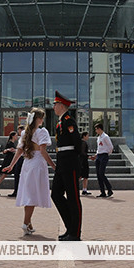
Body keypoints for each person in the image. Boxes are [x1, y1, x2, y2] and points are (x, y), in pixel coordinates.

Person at [3, 108, 56, 235]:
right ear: (37, 119)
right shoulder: (42, 132)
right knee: (32, 195)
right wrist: (54, 166)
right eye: (41, 118)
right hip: (37, 164)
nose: (42, 120)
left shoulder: (25, 132)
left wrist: (11, 165)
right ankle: (26, 223)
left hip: (27, 164)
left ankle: (28, 223)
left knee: (29, 194)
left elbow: (19, 151)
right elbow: (43, 151)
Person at [51, 91, 83, 241]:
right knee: (56, 194)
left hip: (70, 162)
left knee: (73, 198)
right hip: (62, 162)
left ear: (61, 105)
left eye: (55, 104)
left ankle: (75, 233)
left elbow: (78, 142)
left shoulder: (69, 121)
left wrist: (78, 163)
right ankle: (70, 227)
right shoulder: (60, 122)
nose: (53, 107)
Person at [0, 131, 19, 196]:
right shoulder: (10, 143)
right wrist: (9, 150)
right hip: (8, 161)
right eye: (16, 135)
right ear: (13, 136)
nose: (17, 137)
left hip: (10, 161)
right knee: (4, 175)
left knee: (5, 175)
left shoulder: (12, 143)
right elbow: (4, 151)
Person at [91, 123, 114, 198]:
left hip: (104, 155)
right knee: (98, 174)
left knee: (101, 173)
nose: (96, 131)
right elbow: (99, 148)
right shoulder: (98, 138)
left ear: (100, 129)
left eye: (96, 129)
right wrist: (96, 155)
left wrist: (107, 153)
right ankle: (102, 192)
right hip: (99, 156)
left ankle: (109, 189)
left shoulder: (105, 137)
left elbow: (111, 147)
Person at [9, 124, 25, 197]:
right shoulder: (23, 137)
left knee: (17, 174)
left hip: (22, 158)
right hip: (22, 157)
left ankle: (17, 191)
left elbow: (22, 149)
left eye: (19, 130)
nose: (18, 132)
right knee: (17, 174)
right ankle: (17, 191)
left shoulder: (24, 137)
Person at [79, 131, 92, 196]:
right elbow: (83, 153)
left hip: (81, 161)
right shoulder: (83, 143)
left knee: (81, 175)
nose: (88, 137)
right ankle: (84, 189)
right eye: (87, 135)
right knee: (84, 175)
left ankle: (84, 189)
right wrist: (89, 156)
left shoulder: (80, 142)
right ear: (84, 136)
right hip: (83, 161)